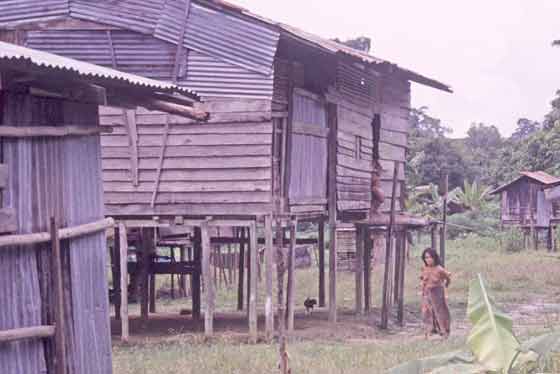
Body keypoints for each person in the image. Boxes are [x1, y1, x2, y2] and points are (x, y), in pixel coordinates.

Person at [420, 248, 451, 339]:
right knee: (427, 312)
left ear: (434, 258)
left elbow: (447, 278)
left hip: (437, 293)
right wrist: (422, 291)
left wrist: (446, 286)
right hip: (427, 293)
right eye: (426, 257)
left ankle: (444, 331)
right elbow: (423, 280)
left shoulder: (439, 269)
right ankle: (430, 331)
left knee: (440, 312)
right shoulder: (424, 269)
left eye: (430, 257)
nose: (428, 259)